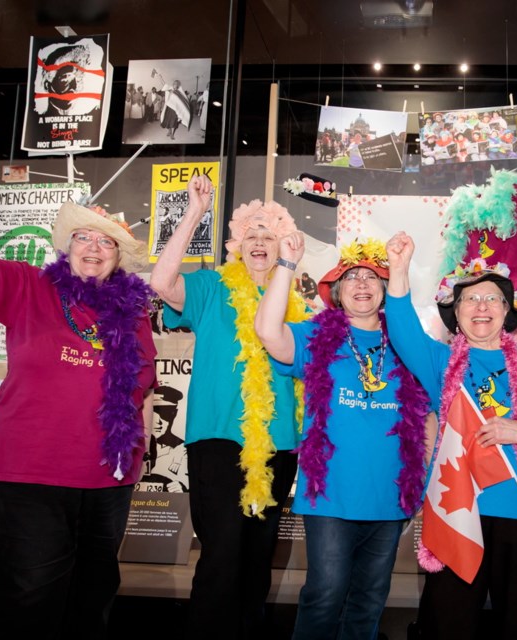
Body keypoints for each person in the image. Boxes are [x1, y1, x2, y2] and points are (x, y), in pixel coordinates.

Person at [0, 142, 157, 639]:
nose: (94, 248)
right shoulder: (29, 286)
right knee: (29, 605)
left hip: (109, 479)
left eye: (106, 243)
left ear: (118, 257)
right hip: (32, 473)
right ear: (67, 246)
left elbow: (140, 391)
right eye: (84, 237)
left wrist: (135, 462)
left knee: (91, 603)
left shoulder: (133, 314)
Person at [383, 232, 517, 639]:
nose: (481, 307)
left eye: (492, 298)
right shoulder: (439, 360)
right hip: (460, 510)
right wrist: (398, 270)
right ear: (457, 312)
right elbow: (402, 333)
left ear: (507, 311)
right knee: (448, 621)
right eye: (470, 299)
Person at [149, 185, 308, 639]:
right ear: (238, 245)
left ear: (283, 249)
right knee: (222, 554)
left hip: (278, 444)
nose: (260, 240)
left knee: (258, 558)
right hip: (218, 439)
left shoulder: (298, 305)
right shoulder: (212, 286)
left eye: (270, 235)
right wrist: (195, 212)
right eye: (252, 234)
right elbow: (161, 284)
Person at [254, 237, 430, 640]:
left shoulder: (406, 342)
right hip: (330, 495)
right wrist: (287, 262)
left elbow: (429, 412)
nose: (363, 284)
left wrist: (420, 480)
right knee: (325, 594)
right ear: (336, 291)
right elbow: (267, 330)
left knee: (370, 598)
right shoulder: (317, 338)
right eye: (352, 277)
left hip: (389, 495)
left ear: (386, 289)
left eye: (373, 276)